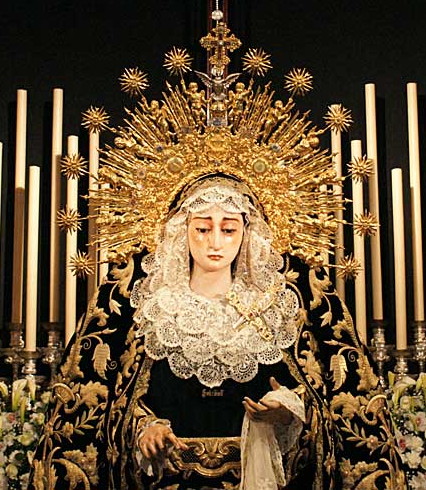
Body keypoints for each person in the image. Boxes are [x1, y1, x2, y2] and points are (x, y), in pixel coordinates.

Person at [28, 176, 404, 490]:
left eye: (228, 229)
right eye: (203, 228)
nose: (215, 242)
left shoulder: (277, 306)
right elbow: (105, 401)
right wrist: (144, 430)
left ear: (246, 233)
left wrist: (287, 411)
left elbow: (327, 400)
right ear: (182, 230)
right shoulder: (145, 303)